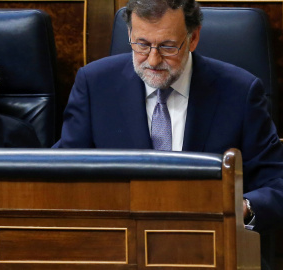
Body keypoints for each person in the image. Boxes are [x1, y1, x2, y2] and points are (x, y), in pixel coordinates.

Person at [55, 0, 283, 251]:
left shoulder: (240, 92)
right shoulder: (94, 84)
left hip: (210, 245)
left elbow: (276, 182)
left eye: (167, 46)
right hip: (118, 246)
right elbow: (64, 174)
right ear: (129, 34)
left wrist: (244, 208)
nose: (153, 60)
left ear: (193, 38)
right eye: (142, 44)